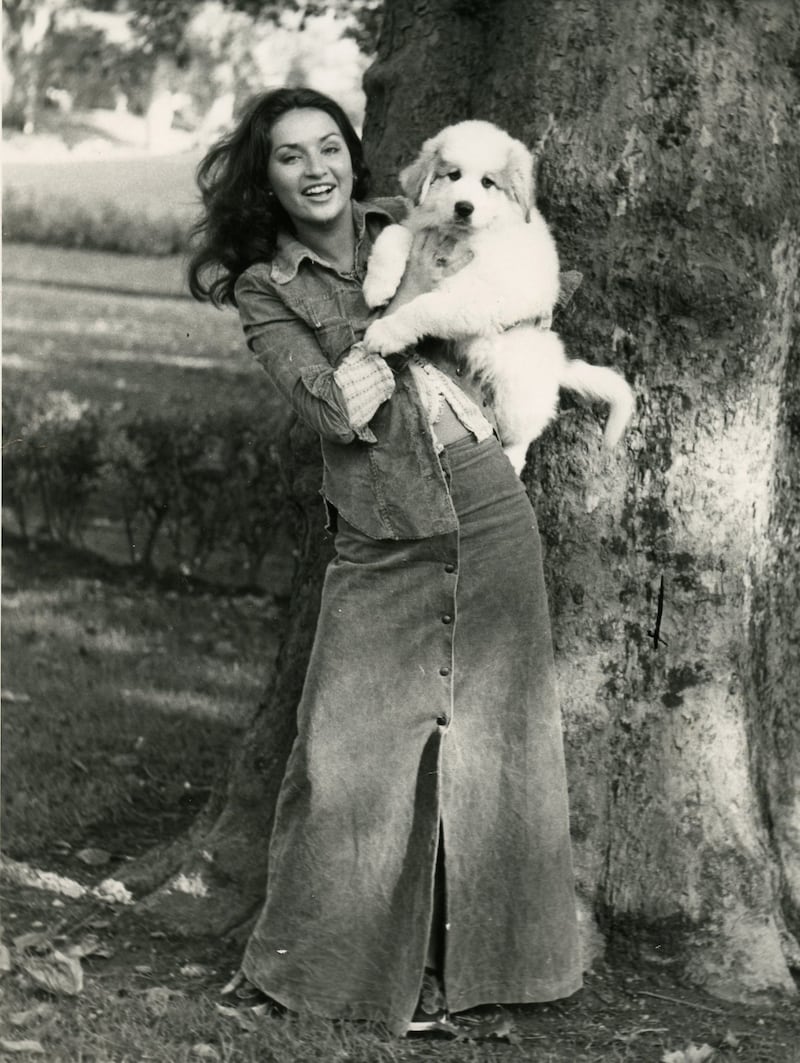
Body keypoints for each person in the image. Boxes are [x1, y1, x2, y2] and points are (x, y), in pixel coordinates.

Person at [187, 86, 582, 1038]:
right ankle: (317, 971)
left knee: (499, 741)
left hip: (486, 499)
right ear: (266, 176)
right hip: (382, 524)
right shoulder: (265, 288)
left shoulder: (407, 218)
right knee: (344, 746)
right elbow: (330, 409)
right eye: (290, 155)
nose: (316, 167)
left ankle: (484, 970)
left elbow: (517, 285)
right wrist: (360, 368)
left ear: (351, 158)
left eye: (330, 147)